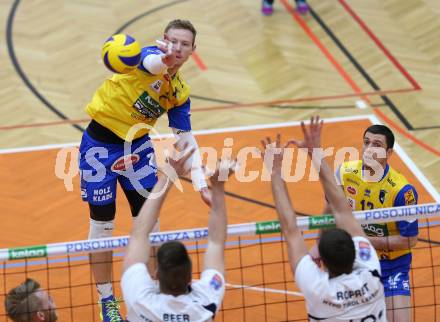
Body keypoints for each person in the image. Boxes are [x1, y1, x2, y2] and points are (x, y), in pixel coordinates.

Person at [79, 19, 211, 321]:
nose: (177, 48)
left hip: (137, 150)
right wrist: (161, 60)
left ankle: (151, 293)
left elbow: (185, 139)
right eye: (173, 41)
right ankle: (107, 302)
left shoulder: (178, 91)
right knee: (102, 226)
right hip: (99, 148)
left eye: (185, 44)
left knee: (151, 225)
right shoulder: (146, 58)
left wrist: (202, 183)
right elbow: (153, 62)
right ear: (164, 40)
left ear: (193, 51)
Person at [260, 116, 386, 321]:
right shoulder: (370, 271)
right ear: (356, 251)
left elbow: (291, 229)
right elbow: (342, 210)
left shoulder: (317, 288)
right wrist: (315, 153)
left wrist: (275, 171)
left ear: (322, 262)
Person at [121, 145, 234, 322]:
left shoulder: (140, 301)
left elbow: (139, 234)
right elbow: (216, 242)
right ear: (190, 278)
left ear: (156, 275)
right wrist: (218, 188)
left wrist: (168, 175)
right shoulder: (206, 304)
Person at [322, 124, 418, 322]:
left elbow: (409, 240)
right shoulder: (345, 173)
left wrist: (362, 239)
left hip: (392, 267)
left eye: (376, 144)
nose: (369, 148)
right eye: (366, 142)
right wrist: (319, 247)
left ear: (388, 152)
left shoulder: (402, 191)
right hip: (356, 264)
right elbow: (330, 211)